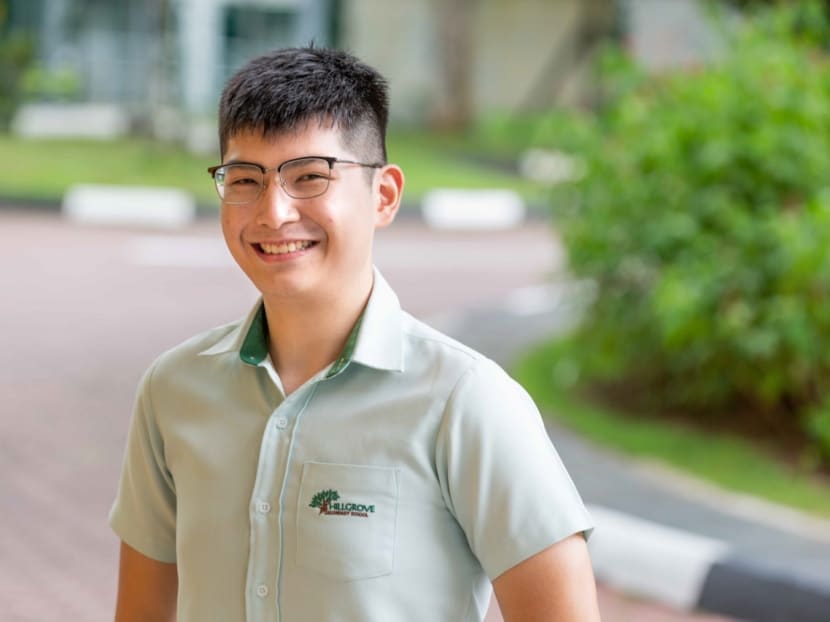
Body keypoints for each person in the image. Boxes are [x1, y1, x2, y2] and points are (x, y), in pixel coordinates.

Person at [110, 46, 600, 622]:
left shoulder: (464, 400)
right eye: (244, 178)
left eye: (310, 177)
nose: (274, 212)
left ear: (384, 196)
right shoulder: (174, 389)